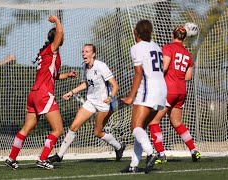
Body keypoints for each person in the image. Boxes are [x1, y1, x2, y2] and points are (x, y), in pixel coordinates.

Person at [4, 15, 77, 170]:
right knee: (58, 129)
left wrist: (67, 75)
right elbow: (59, 33)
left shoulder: (47, 54)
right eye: (60, 35)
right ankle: (43, 159)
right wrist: (57, 21)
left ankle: (11, 158)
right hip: (43, 94)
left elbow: (54, 76)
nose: (62, 36)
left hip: (34, 94)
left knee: (27, 128)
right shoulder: (51, 50)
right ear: (56, 39)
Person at [47, 44, 126, 165]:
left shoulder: (101, 66)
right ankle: (59, 155)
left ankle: (119, 146)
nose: (84, 53)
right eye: (83, 51)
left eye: (87, 51)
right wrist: (71, 92)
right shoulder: (85, 67)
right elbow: (87, 84)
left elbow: (115, 85)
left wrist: (111, 97)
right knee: (73, 127)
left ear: (93, 54)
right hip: (91, 102)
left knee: (97, 133)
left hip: (104, 104)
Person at [148, 27, 201, 164]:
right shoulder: (188, 55)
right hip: (181, 91)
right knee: (177, 122)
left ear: (172, 35)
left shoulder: (168, 48)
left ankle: (160, 154)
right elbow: (188, 77)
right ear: (184, 38)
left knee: (153, 121)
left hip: (168, 90)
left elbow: (164, 67)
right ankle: (193, 150)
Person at [120, 19, 167, 174]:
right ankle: (134, 165)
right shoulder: (157, 47)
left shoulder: (137, 47)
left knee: (135, 128)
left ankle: (151, 153)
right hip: (161, 89)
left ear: (137, 32)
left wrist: (130, 97)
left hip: (149, 90)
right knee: (141, 129)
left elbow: (139, 73)